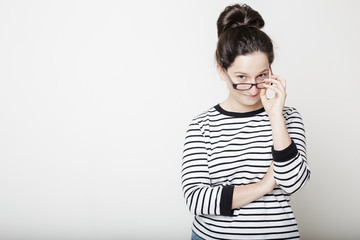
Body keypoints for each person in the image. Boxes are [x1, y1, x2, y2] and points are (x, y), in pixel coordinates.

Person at [181, 3, 311, 240]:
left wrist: (275, 116)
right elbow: (197, 199)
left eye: (261, 75)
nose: (252, 88)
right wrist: (264, 185)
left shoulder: (288, 118)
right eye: (241, 77)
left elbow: (294, 183)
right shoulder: (202, 126)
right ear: (222, 71)